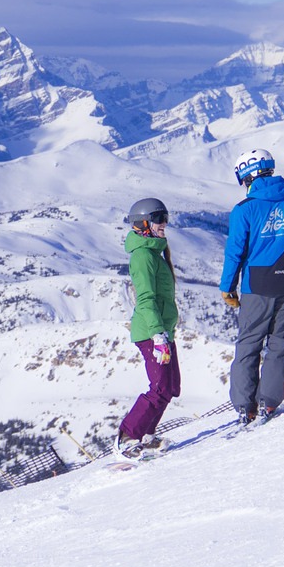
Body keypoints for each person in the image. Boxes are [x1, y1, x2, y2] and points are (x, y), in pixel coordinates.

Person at [219, 149, 284, 425]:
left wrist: (228, 287)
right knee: (280, 344)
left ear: (247, 176)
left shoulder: (244, 209)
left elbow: (235, 252)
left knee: (249, 344)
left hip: (257, 286)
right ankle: (269, 403)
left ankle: (245, 406)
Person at [116, 197, 182, 461]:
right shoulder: (143, 255)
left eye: (165, 218)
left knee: (170, 386)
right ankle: (127, 436)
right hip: (151, 332)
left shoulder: (153, 251)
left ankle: (146, 436)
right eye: (158, 219)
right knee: (159, 388)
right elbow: (145, 298)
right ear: (143, 224)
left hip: (162, 331)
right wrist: (157, 335)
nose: (163, 224)